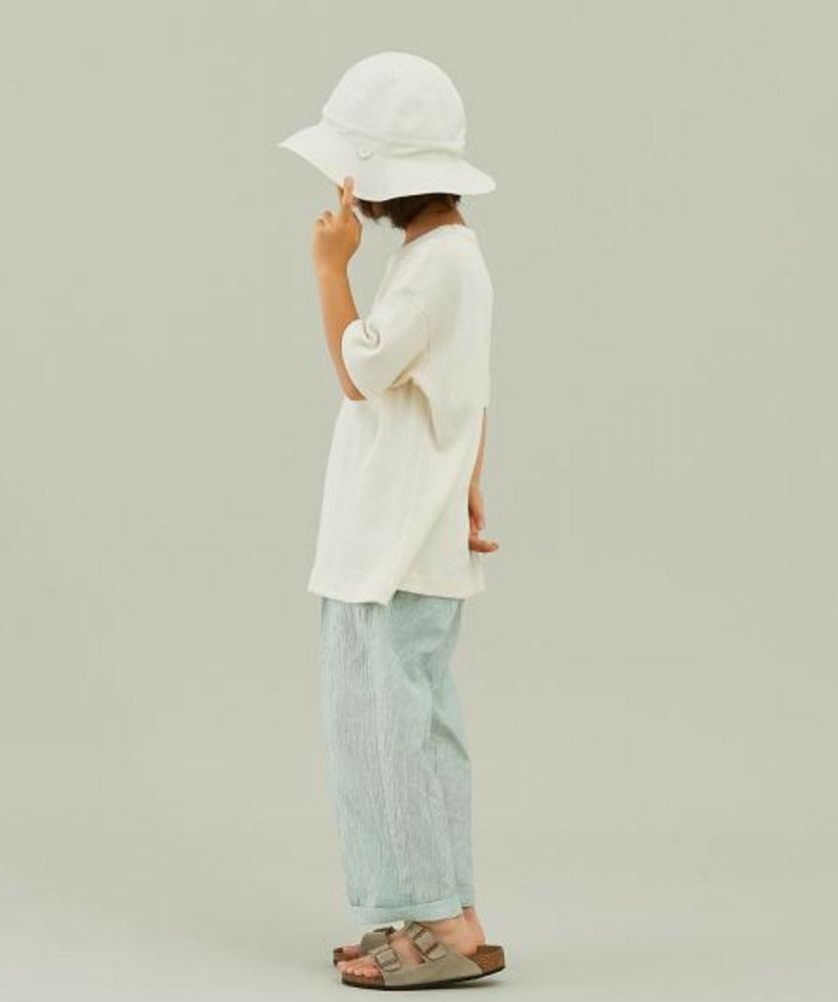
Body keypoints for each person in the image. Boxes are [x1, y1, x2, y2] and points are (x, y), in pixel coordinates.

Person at [278, 51, 506, 990]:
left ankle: (440, 922)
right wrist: (470, 480)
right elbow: (468, 389)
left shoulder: (433, 267)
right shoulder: (446, 257)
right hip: (400, 531)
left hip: (390, 544)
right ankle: (433, 912)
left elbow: (359, 371)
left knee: (386, 733)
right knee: (398, 725)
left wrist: (328, 268)